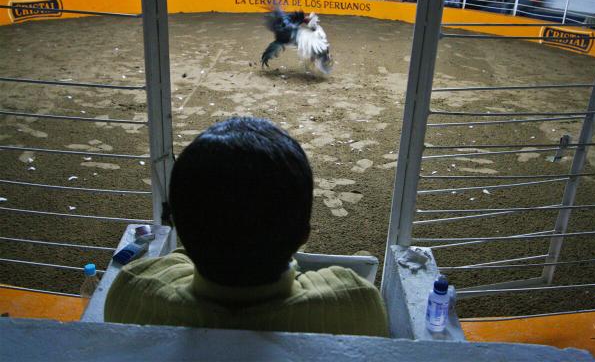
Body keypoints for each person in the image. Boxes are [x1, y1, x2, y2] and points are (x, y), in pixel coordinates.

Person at [105, 117, 390, 337]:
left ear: (180, 229)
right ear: (304, 235)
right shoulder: (356, 304)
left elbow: (177, 260)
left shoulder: (132, 293)